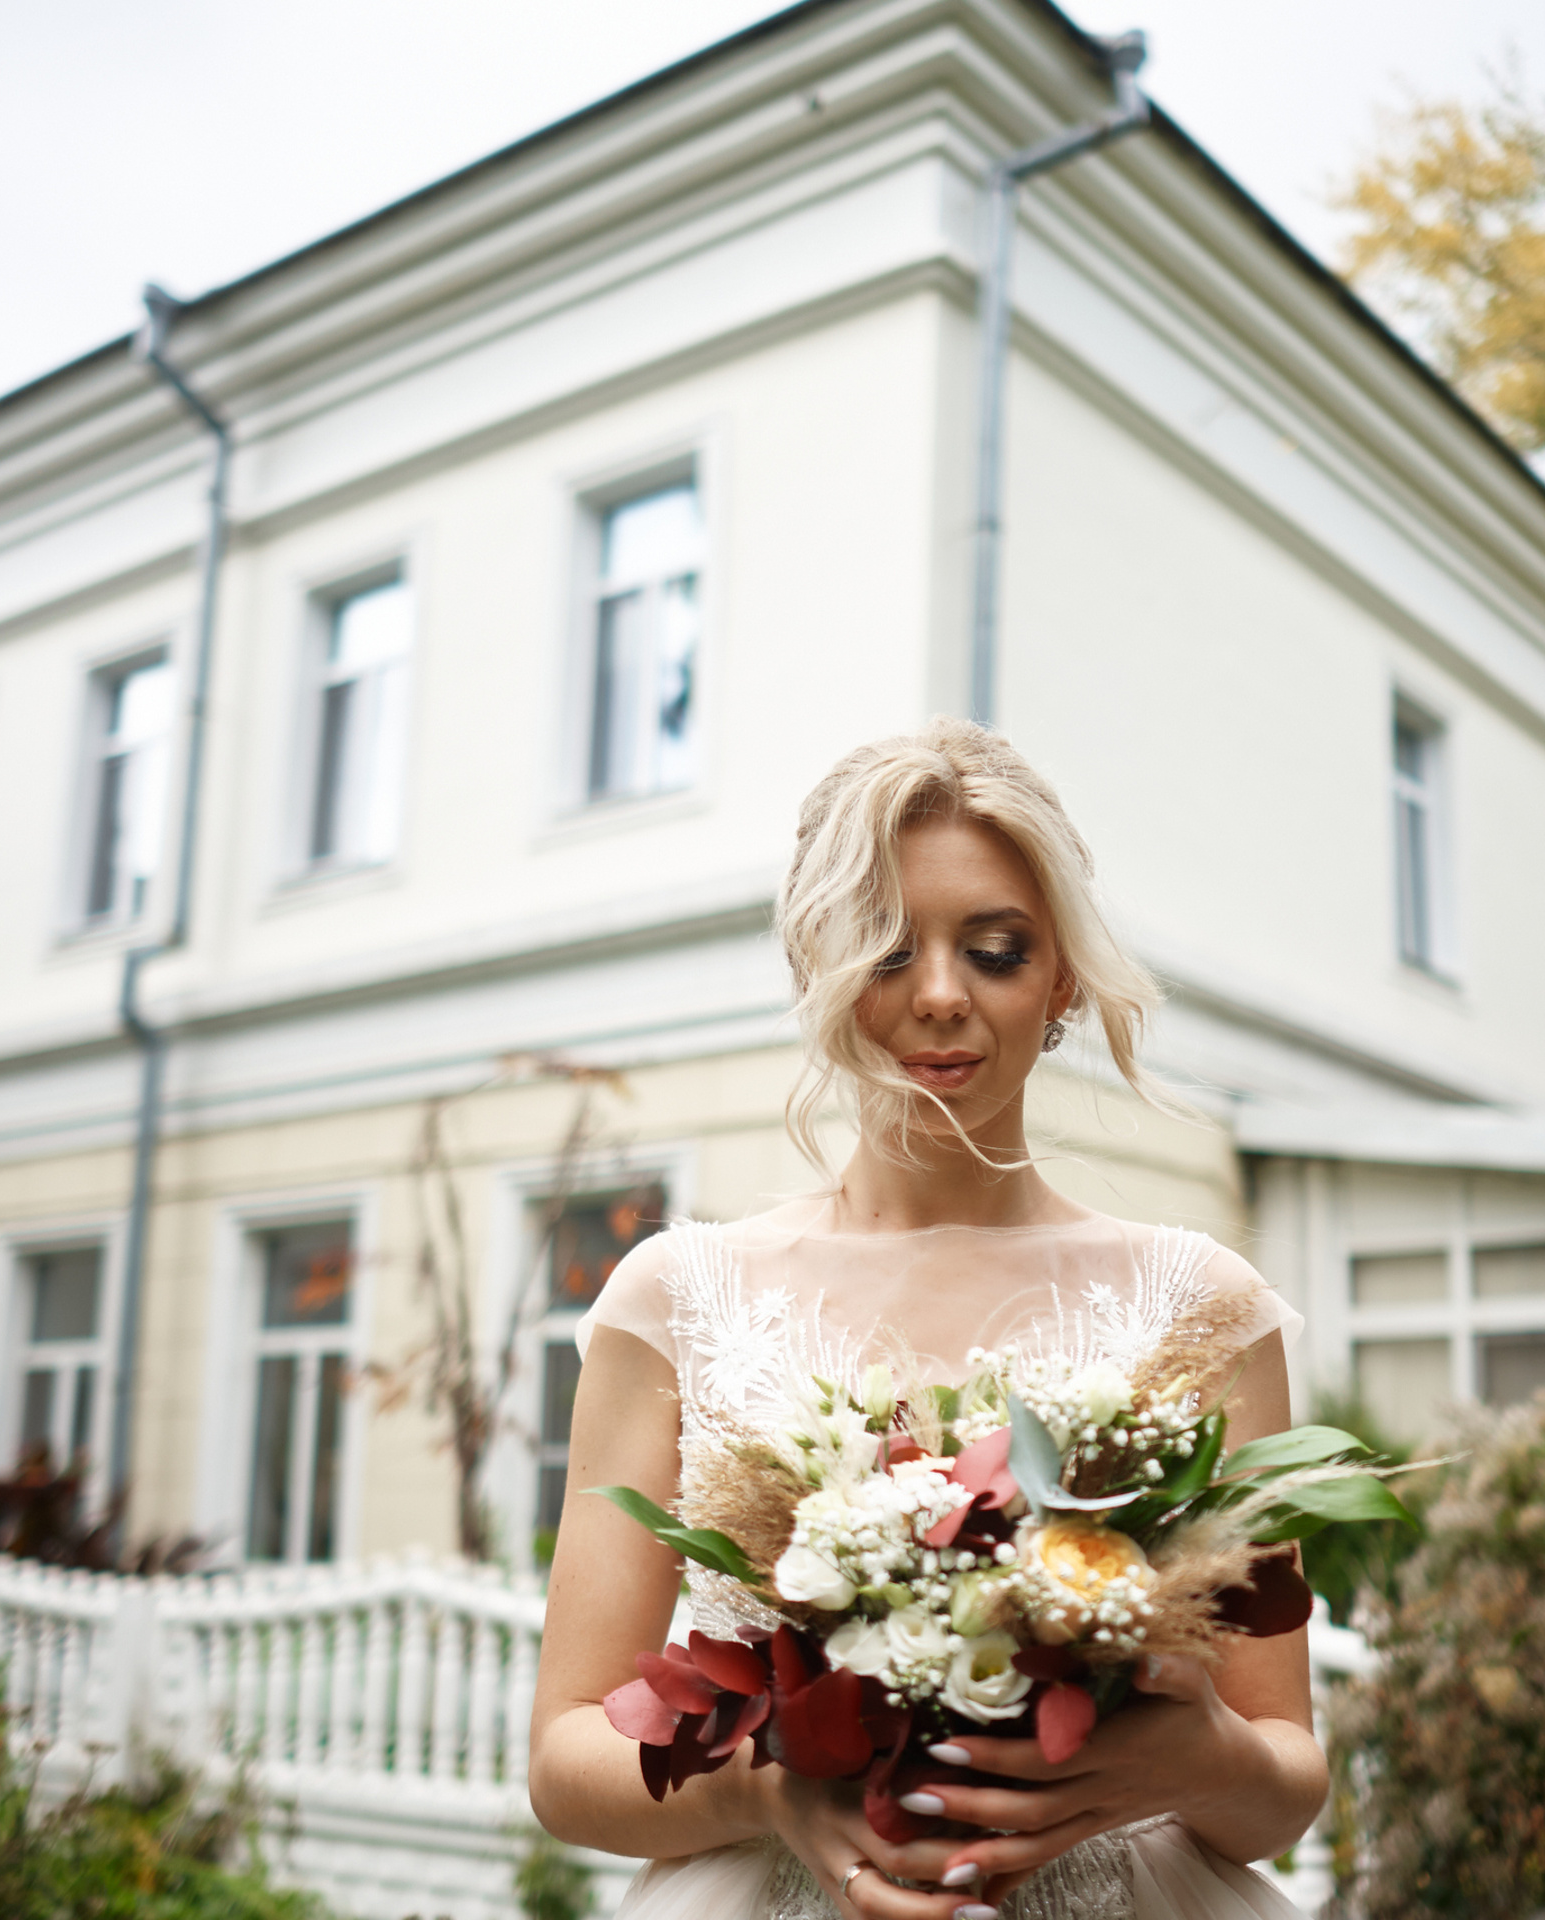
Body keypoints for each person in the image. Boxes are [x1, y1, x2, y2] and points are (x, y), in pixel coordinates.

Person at [530, 720, 1326, 1920]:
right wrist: (771, 1789)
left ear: (1060, 978)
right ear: (815, 963)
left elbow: (1284, 1783)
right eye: (888, 948)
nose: (941, 995)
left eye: (996, 951)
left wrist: (1195, 1758)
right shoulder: (674, 1298)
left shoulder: (1199, 1307)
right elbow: (565, 1759)